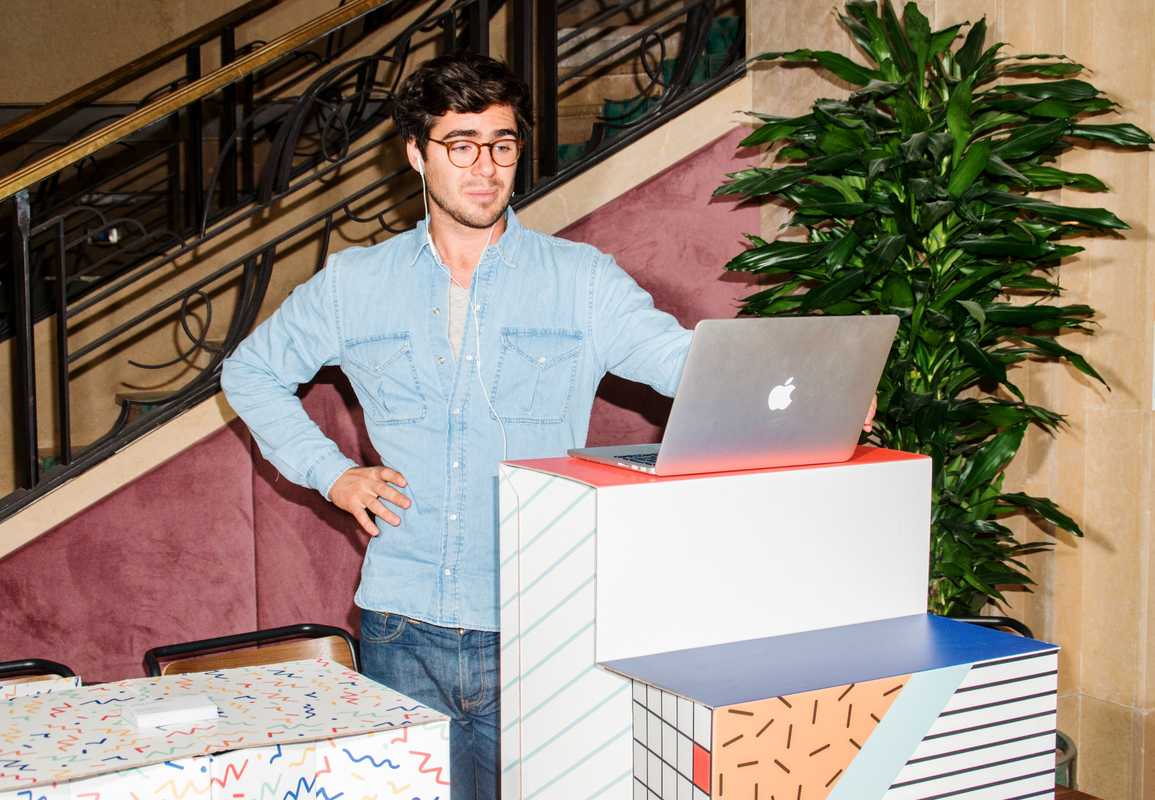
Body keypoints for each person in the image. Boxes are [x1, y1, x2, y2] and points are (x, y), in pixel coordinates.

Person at [220, 51, 694, 800]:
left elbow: (681, 361)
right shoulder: (355, 284)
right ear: (416, 153)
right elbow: (250, 372)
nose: (486, 168)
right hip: (401, 628)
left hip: (544, 626)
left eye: (502, 145)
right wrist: (333, 474)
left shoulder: (583, 280)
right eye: (461, 146)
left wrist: (789, 388)